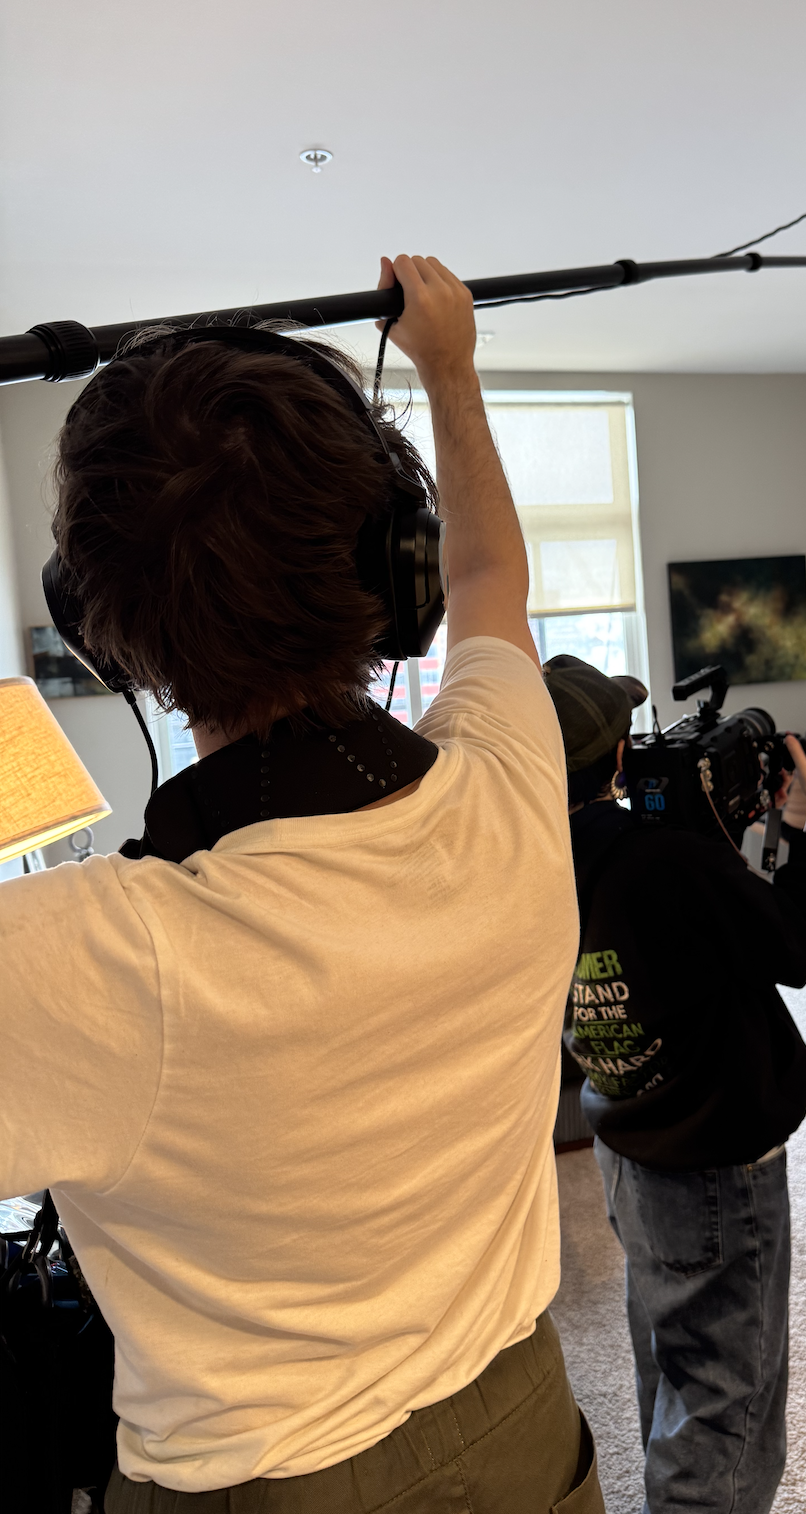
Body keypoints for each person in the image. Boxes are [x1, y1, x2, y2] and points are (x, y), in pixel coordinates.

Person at [1, 255, 605, 1511]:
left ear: (100, 627)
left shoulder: (83, 957)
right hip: (526, 1426)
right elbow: (492, 579)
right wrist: (450, 368)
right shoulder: (511, 784)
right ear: (395, 568)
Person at [544, 655, 806, 1514]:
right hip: (717, 1162)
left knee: (672, 1361)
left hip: (626, 1136)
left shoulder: (527, 862)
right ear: (618, 761)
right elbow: (792, 944)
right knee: (727, 1403)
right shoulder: (670, 862)